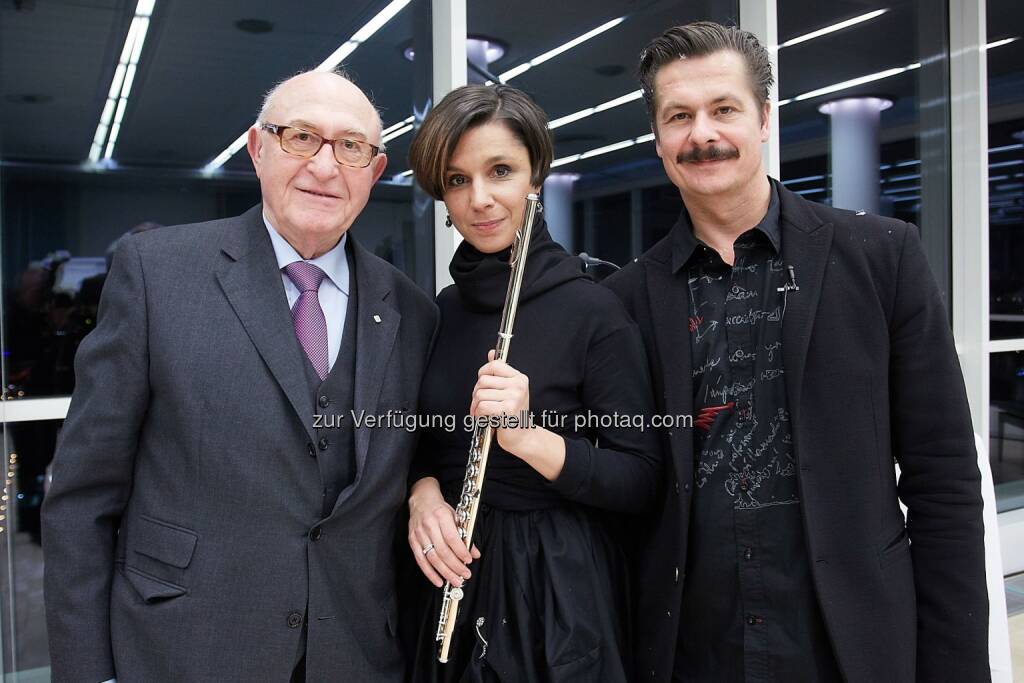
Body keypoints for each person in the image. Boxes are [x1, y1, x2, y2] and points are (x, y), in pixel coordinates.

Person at [604, 22, 990, 683]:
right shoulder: (624, 302)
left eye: (723, 108)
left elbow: (944, 482)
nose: (702, 134)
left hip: (854, 648)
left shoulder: (881, 258)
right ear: (659, 140)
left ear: (763, 119)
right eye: (678, 116)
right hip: (692, 655)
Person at [41, 70, 438, 683]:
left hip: (356, 654)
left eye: (352, 147)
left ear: (375, 172)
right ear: (258, 149)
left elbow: (408, 461)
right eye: (301, 137)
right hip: (184, 646)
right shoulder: (157, 274)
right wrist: (85, 671)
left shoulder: (413, 311)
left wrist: (426, 487)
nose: (326, 167)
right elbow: (83, 497)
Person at [403, 84, 661, 682]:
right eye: (457, 179)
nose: (481, 199)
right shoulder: (440, 310)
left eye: (501, 171)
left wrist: (525, 437)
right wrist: (421, 494)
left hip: (556, 589)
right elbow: (420, 439)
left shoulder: (594, 309)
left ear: (535, 177)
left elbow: (641, 479)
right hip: (450, 576)